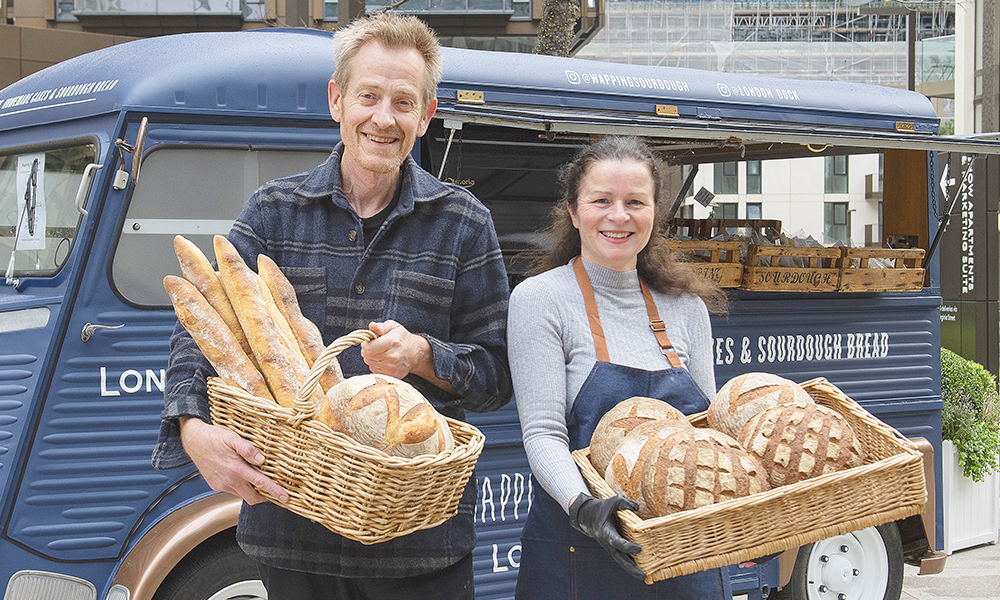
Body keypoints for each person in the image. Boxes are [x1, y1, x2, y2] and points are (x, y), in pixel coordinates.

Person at [152, 13, 512, 600]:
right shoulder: (273, 211)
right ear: (337, 100)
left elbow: (498, 376)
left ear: (425, 115)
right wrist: (192, 429)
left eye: (403, 102)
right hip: (294, 532)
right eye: (368, 96)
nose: (383, 118)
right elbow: (203, 330)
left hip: (421, 547)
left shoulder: (464, 225)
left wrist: (423, 356)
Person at [507, 136, 728, 599]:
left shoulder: (687, 308)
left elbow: (711, 432)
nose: (618, 216)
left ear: (654, 213)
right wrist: (585, 507)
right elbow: (544, 433)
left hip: (682, 559)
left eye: (635, 202)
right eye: (601, 200)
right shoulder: (541, 300)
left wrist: (739, 511)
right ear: (573, 210)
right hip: (577, 551)